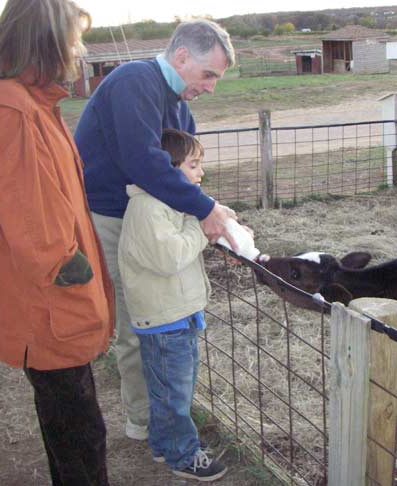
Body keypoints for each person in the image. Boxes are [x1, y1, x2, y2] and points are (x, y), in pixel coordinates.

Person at [0, 1, 115, 485]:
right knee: (79, 436)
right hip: (48, 305)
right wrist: (72, 268)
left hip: (48, 301)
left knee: (68, 426)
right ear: (42, 41)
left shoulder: (21, 100)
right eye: (71, 39)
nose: (79, 49)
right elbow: (28, 222)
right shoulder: (9, 108)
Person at [74, 19, 239, 441]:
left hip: (155, 218)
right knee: (138, 318)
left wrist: (206, 210)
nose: (211, 88)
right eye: (209, 75)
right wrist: (206, 210)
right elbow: (144, 161)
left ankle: (168, 408)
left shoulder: (180, 107)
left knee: (165, 312)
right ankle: (146, 421)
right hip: (113, 218)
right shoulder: (134, 80)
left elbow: (183, 172)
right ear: (181, 56)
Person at [118, 129, 254, 481]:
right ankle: (183, 455)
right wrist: (200, 226)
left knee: (172, 388)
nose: (201, 173)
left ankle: (165, 444)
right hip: (165, 319)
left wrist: (220, 229)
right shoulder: (148, 209)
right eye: (194, 165)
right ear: (168, 169)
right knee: (174, 394)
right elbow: (171, 257)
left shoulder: (167, 204)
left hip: (177, 313)